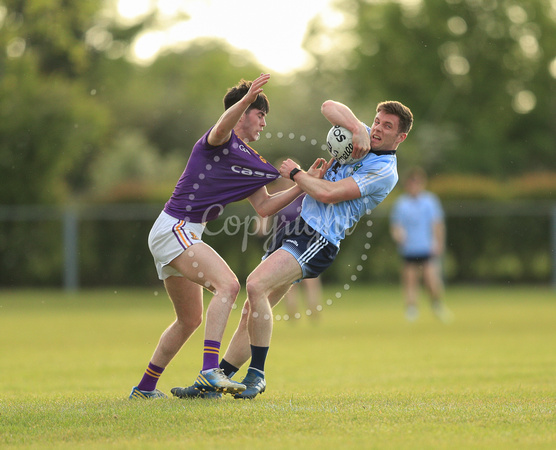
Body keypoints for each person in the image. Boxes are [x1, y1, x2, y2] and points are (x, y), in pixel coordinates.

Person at [172, 98, 413, 400]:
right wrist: (355, 127)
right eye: (377, 121)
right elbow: (327, 106)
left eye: (387, 126)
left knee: (255, 285)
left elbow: (329, 194)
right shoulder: (362, 133)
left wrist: (297, 174)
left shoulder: (384, 170)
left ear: (400, 137)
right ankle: (216, 382)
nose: (377, 129)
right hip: (295, 228)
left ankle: (257, 374)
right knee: (251, 310)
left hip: (318, 238)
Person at [129, 73, 317, 399]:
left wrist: (301, 184)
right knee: (228, 286)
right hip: (175, 228)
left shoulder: (253, 162)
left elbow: (265, 206)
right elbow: (222, 125)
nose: (263, 123)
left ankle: (144, 388)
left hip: (178, 233)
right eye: (260, 115)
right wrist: (245, 99)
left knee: (189, 319)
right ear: (242, 113)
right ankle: (209, 371)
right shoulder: (218, 140)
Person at [389, 167, 453, 323]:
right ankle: (411, 309)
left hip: (426, 247)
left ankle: (437, 305)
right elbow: (396, 226)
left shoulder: (430, 201)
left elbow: (437, 224)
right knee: (410, 280)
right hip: (409, 248)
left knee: (432, 281)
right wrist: (399, 236)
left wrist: (439, 244)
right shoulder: (401, 204)